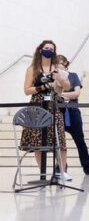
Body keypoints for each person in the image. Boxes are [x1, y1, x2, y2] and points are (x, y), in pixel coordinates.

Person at [21, 40, 71, 181]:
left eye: (51, 48)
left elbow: (67, 86)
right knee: (38, 140)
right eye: (46, 48)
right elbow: (26, 90)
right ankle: (42, 171)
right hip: (37, 105)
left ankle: (62, 171)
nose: (49, 50)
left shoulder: (57, 67)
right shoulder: (32, 69)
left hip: (54, 105)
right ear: (40, 50)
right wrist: (44, 86)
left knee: (60, 139)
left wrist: (59, 77)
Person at [57, 55, 89, 176]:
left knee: (80, 140)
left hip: (73, 111)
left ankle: (88, 167)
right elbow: (55, 94)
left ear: (66, 65)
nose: (59, 67)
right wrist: (65, 94)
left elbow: (76, 94)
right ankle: (61, 167)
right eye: (57, 64)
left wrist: (62, 95)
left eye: (61, 64)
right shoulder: (54, 77)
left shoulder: (73, 76)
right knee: (59, 142)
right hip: (58, 112)